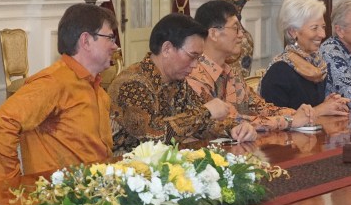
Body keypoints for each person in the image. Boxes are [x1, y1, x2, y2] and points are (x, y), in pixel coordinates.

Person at [0, 3, 117, 181]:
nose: (115, 46)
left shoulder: (98, 90)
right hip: (60, 198)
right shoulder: (54, 82)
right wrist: (12, 185)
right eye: (109, 38)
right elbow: (0, 127)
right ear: (85, 40)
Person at [109, 13, 256, 153]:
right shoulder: (132, 84)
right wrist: (206, 112)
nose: (195, 65)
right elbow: (153, 135)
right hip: (124, 170)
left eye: (198, 58)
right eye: (192, 56)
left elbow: (201, 124)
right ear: (167, 49)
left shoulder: (178, 82)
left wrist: (235, 128)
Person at [187, 0, 316, 132]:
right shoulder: (194, 74)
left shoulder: (231, 73)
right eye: (236, 28)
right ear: (214, 33)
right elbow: (231, 122)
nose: (241, 35)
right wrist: (289, 121)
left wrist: (296, 113)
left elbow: (260, 108)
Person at [259, 0, 350, 115]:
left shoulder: (318, 64)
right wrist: (320, 110)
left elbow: (308, 105)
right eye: (314, 28)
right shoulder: (279, 71)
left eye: (323, 27)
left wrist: (330, 103)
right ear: (292, 32)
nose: (322, 34)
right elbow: (274, 119)